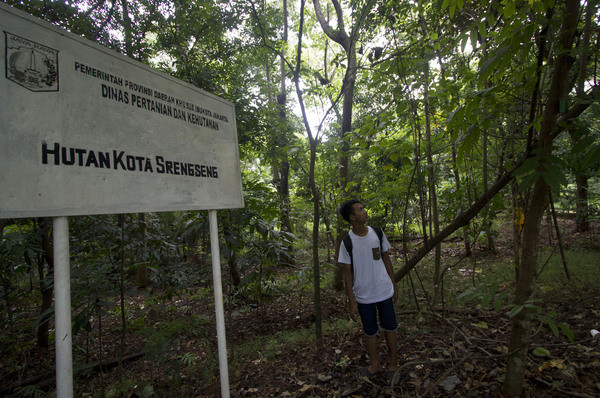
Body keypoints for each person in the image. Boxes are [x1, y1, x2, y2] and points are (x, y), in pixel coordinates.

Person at [338, 199, 399, 384]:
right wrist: (351, 302)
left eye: (363, 208)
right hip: (364, 296)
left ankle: (394, 365)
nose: (365, 211)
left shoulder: (377, 233)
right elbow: (347, 274)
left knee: (390, 328)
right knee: (370, 331)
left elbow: (386, 259)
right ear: (352, 217)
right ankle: (375, 364)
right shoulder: (347, 242)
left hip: (383, 291)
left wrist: (393, 284)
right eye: (360, 209)